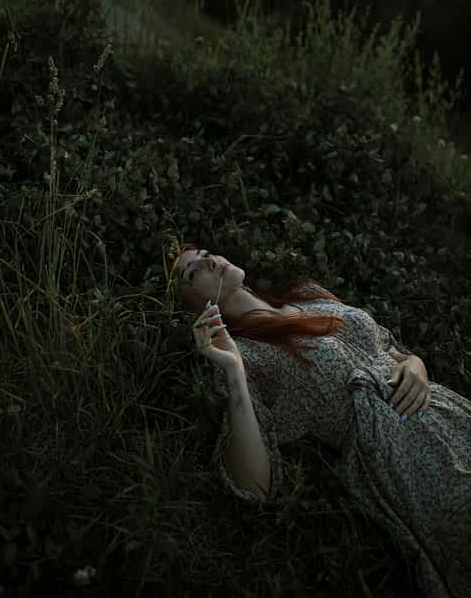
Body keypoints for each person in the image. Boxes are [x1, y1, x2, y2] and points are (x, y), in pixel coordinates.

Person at [172, 243, 471, 598]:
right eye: (193, 272)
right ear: (192, 308)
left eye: (205, 253)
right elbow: (255, 486)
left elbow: (390, 348)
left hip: (446, 411)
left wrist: (415, 364)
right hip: (398, 456)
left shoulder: (305, 293)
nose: (209, 260)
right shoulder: (247, 355)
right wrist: (234, 369)